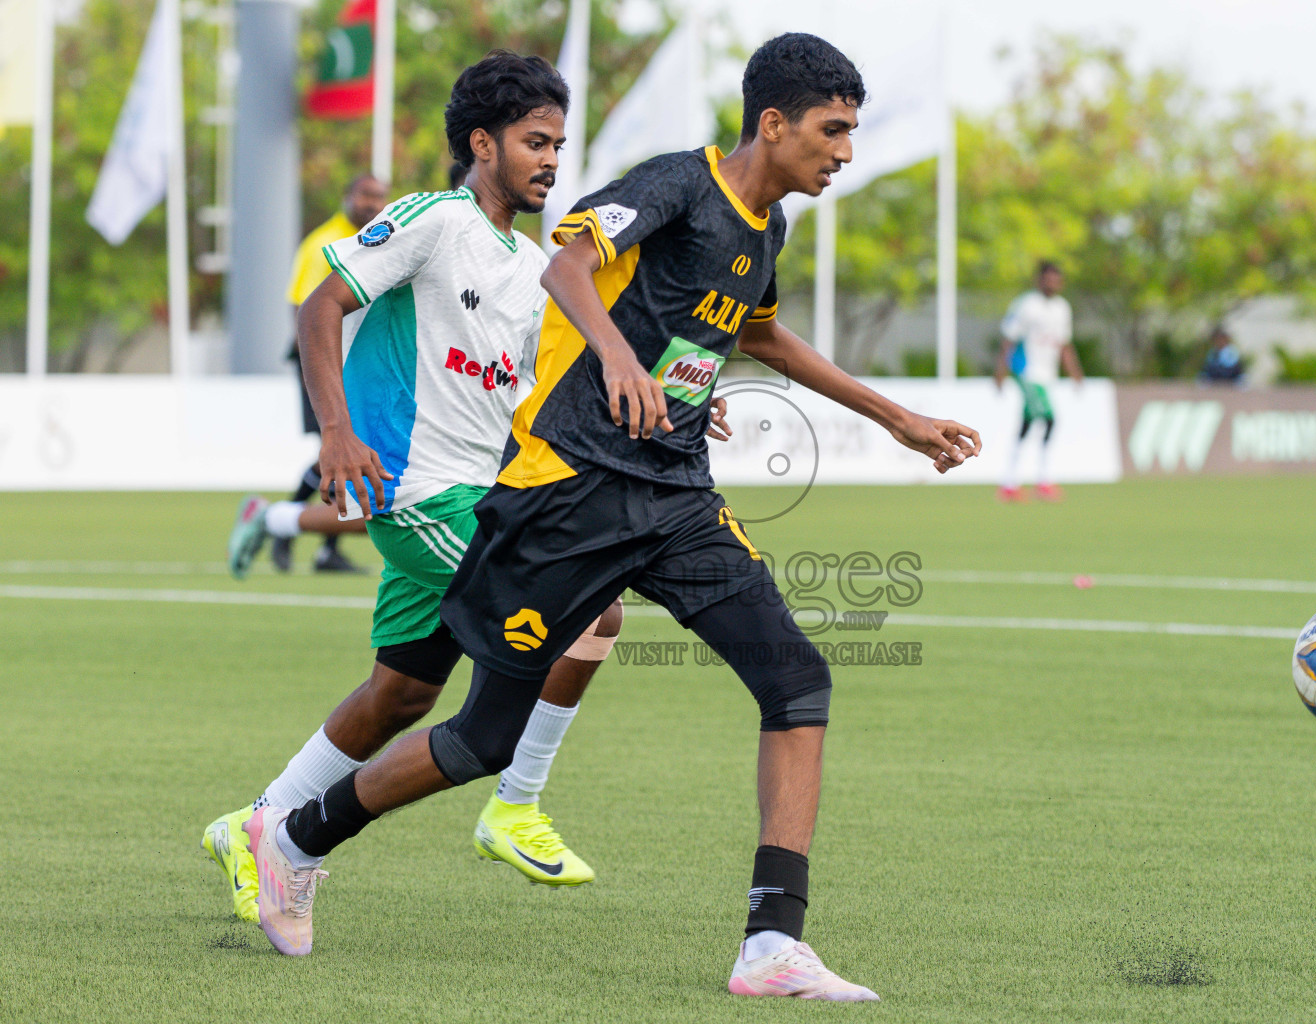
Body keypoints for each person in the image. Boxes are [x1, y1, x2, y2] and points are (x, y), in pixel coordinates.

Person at [242, 34, 981, 1001]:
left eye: (850, 132)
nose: (844, 152)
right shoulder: (677, 183)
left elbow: (741, 330)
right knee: (476, 739)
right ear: (774, 123)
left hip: (674, 495)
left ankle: (772, 944)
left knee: (796, 679)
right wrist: (620, 364)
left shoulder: (767, 230)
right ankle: (296, 835)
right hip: (563, 493)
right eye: (832, 130)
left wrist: (896, 417)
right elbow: (569, 270)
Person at [203, 51, 678, 924]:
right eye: (536, 141)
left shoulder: (531, 266)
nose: (550, 160)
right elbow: (318, 306)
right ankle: (517, 803)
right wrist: (337, 435)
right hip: (417, 493)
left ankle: (257, 824)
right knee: (592, 606)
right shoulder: (433, 220)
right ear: (481, 142)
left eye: (559, 145)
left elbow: (551, 387)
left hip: (472, 497)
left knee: (403, 693)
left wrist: (662, 399)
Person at [227, 174, 390, 578]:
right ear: (347, 197)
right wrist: (319, 364)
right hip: (322, 360)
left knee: (349, 455)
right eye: (366, 195)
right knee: (337, 451)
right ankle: (282, 523)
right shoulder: (324, 243)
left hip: (356, 361)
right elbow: (306, 308)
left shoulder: (377, 241)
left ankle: (315, 544)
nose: (373, 203)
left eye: (380, 197)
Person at [993, 260, 1082, 502]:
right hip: (1026, 372)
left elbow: (1064, 345)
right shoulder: (1026, 305)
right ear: (1039, 280)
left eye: (1057, 279)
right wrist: (1000, 373)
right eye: (1048, 278)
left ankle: (1009, 484)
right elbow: (1008, 340)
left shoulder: (1062, 308)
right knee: (1050, 418)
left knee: (1027, 424)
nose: (1053, 283)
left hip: (1047, 376)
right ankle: (1043, 481)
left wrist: (1075, 373)